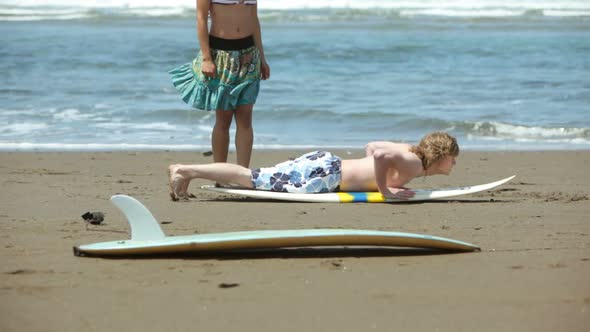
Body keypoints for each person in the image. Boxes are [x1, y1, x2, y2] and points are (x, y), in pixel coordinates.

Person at [167, 132, 459, 201]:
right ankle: (185, 170)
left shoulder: (408, 150)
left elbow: (373, 148)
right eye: (453, 158)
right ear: (442, 154)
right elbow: (380, 158)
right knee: (251, 177)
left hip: (326, 165)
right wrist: (386, 190)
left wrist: (381, 178)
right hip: (325, 177)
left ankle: (188, 173)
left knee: (254, 176)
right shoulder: (412, 161)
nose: (454, 164)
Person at [169, 0, 270, 168]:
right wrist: (207, 58)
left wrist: (262, 57)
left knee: (245, 118)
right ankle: (220, 173)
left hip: (249, 56)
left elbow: (254, 20)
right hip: (221, 55)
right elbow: (201, 19)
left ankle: (242, 173)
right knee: (224, 118)